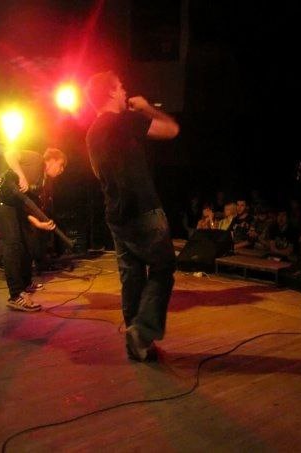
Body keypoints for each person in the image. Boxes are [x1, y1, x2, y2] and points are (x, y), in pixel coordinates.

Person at [85, 70, 179, 362]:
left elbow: (98, 173)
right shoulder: (122, 120)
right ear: (111, 92)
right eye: (121, 87)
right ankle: (142, 330)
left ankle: (137, 344)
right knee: (163, 267)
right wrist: (147, 107)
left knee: (132, 276)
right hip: (143, 208)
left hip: (116, 214)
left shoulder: (91, 133)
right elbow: (171, 129)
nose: (125, 92)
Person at [0, 147, 67, 312]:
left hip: (14, 207)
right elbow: (9, 153)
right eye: (61, 165)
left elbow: (25, 208)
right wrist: (21, 175)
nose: (62, 170)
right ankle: (16, 295)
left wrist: (38, 224)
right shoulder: (36, 159)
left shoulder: (41, 182)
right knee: (13, 243)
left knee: (29, 242)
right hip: (0, 201)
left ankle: (25, 284)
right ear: (51, 160)